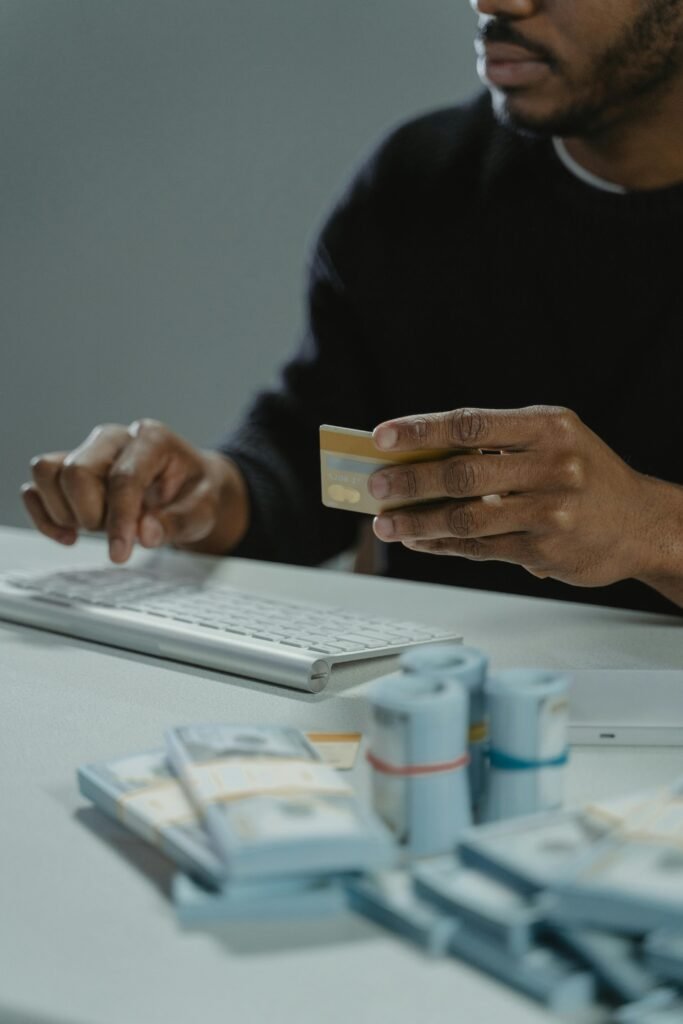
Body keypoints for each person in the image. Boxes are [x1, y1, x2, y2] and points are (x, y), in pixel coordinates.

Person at [21, 0, 683, 614]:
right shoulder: (424, 178)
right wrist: (208, 496)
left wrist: (650, 530)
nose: (494, 3)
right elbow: (324, 463)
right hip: (430, 716)